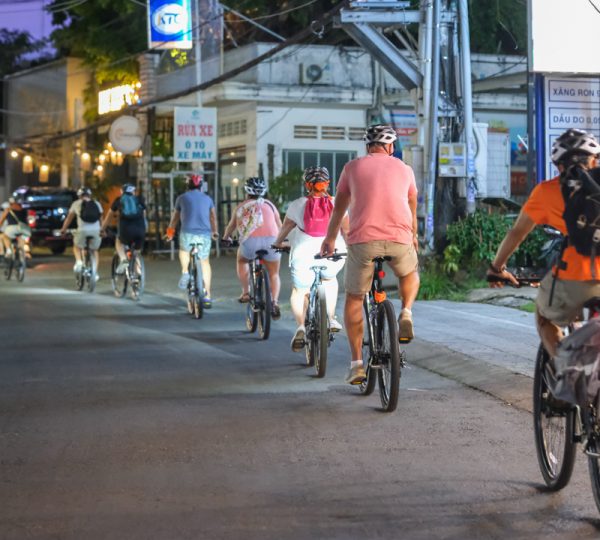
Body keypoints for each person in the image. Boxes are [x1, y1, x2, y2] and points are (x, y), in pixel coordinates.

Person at [487, 128, 600, 359]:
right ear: (595, 160)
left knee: (543, 314)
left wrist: (497, 269)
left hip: (574, 277)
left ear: (558, 165)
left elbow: (517, 233)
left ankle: (566, 367)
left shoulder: (546, 192)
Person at [320, 124, 420, 385]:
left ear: (368, 146)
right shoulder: (405, 169)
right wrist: (414, 236)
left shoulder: (352, 168)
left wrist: (330, 239)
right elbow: (411, 204)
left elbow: (339, 209)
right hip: (399, 239)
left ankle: (356, 365)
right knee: (410, 273)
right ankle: (406, 313)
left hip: (363, 242)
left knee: (354, 298)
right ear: (391, 147)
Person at [273, 166, 347, 350]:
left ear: (307, 184)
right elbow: (348, 230)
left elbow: (285, 228)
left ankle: (300, 327)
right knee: (330, 279)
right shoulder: (338, 203)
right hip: (332, 252)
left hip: (304, 254)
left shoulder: (297, 204)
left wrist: (277, 243)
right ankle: (330, 318)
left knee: (300, 290)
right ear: (328, 183)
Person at [223, 176, 282, 318]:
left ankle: (246, 292)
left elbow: (232, 225)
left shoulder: (242, 206)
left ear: (247, 191)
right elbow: (280, 224)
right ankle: (274, 302)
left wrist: (226, 238)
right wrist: (283, 240)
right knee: (274, 273)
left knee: (241, 260)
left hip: (250, 243)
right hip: (272, 241)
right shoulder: (270, 205)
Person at [165, 174, 218, 307]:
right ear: (201, 186)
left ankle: (185, 272)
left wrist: (170, 233)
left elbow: (175, 219)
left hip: (187, 233)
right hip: (205, 235)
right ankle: (207, 295)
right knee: (205, 261)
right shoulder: (208, 199)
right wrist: (214, 232)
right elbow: (212, 217)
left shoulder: (181, 198)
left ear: (187, 186)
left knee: (184, 250)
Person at [101, 183, 147, 274]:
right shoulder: (139, 200)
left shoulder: (119, 200)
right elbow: (144, 215)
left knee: (119, 241)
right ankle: (139, 273)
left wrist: (102, 229)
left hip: (126, 230)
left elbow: (109, 217)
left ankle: (123, 259)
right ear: (134, 191)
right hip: (140, 229)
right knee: (137, 252)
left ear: (122, 191)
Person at [59, 187, 103, 278]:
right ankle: (95, 273)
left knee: (77, 246)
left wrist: (63, 229)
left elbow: (69, 219)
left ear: (79, 196)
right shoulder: (97, 204)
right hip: (96, 230)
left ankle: (79, 261)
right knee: (95, 250)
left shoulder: (76, 204)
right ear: (90, 195)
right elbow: (101, 219)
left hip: (82, 230)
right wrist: (102, 230)